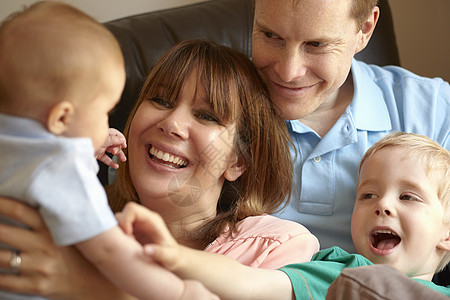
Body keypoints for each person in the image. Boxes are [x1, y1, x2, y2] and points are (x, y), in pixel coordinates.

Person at [0, 27, 319, 299]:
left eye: (206, 116)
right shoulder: (66, 208)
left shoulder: (274, 249)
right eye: (160, 100)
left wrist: (90, 287)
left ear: (239, 161)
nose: (172, 124)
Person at [0, 2, 218, 300]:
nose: (173, 125)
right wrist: (179, 292)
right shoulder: (63, 168)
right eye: (105, 111)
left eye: (207, 115)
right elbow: (109, 250)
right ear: (62, 118)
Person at [117, 132, 450, 299]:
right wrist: (176, 256)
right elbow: (250, 283)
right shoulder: (341, 272)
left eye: (408, 196)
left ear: (446, 235)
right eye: (368, 195)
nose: (383, 205)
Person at [250, 0, 449, 254]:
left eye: (316, 44)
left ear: (364, 30)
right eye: (270, 35)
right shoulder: (212, 104)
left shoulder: (433, 112)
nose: (288, 72)